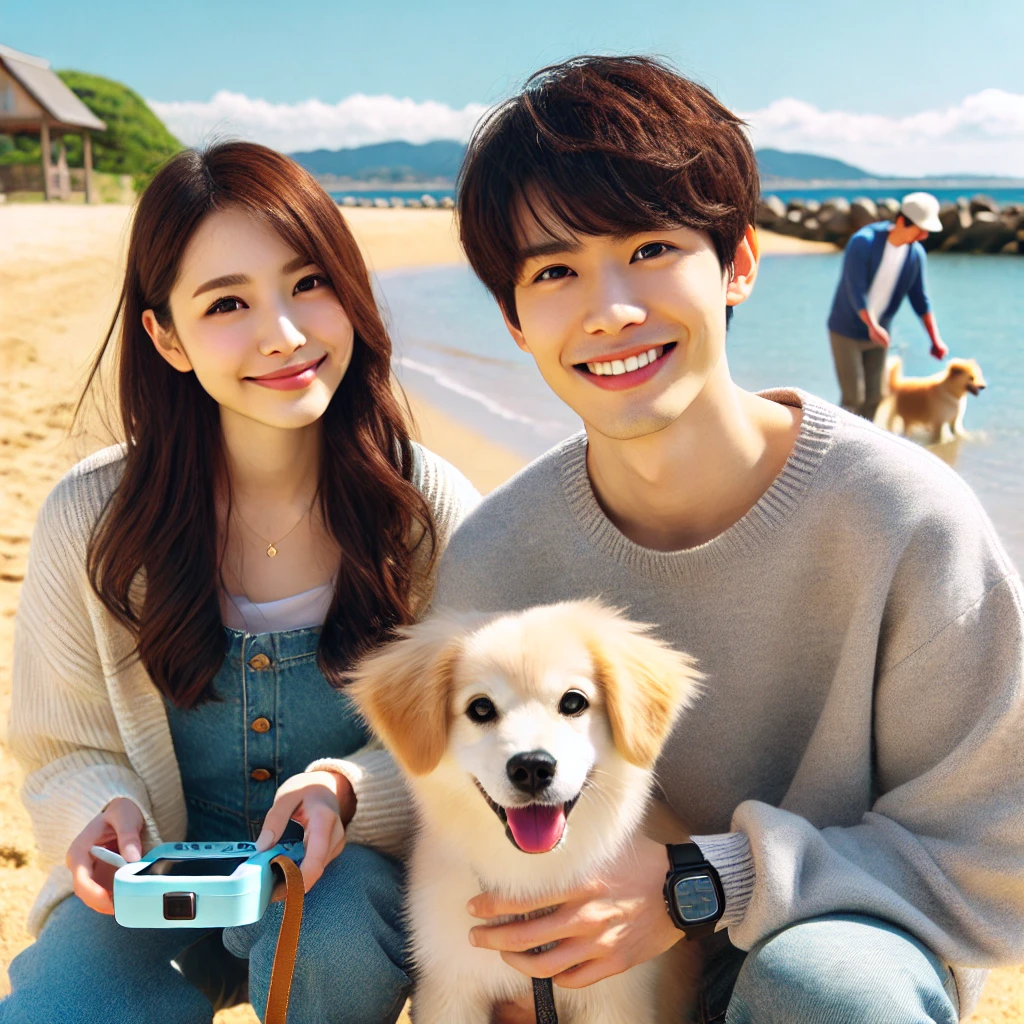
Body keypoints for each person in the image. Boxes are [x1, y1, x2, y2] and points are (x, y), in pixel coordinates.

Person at [263, 57, 1024, 1023]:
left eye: (652, 247)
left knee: (828, 986)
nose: (610, 309)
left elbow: (998, 861)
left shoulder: (908, 517)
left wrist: (705, 883)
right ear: (513, 318)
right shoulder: (500, 552)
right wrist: (341, 787)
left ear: (740, 260)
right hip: (586, 984)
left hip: (824, 958)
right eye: (554, 271)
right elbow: (468, 768)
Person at [2, 142, 478, 1024]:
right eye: (228, 303)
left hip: (346, 887)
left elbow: (474, 736)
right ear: (167, 338)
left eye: (308, 283)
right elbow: (61, 742)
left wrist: (350, 791)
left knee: (330, 951)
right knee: (65, 1008)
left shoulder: (426, 509)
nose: (284, 334)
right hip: (157, 891)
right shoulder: (93, 515)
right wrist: (99, 808)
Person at [827, 191, 949, 421]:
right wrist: (871, 325)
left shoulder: (915, 255)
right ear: (902, 221)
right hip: (845, 331)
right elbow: (856, 291)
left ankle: (863, 447)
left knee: (877, 396)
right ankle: (839, 450)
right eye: (920, 229)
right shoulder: (863, 243)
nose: (923, 236)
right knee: (853, 398)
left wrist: (935, 340)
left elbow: (920, 300)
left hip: (879, 333)